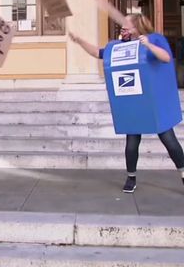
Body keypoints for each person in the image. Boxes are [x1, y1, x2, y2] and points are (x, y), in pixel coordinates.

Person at [69, 13, 184, 193]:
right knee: (131, 143)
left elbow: (166, 58)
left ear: (138, 27)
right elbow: (98, 53)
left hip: (153, 102)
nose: (122, 28)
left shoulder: (155, 39)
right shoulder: (119, 47)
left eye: (126, 25)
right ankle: (131, 177)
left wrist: (147, 44)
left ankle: (183, 173)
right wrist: (79, 41)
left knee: (169, 140)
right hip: (134, 101)